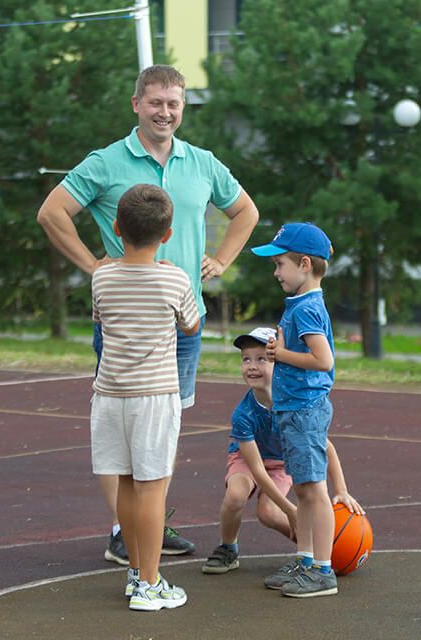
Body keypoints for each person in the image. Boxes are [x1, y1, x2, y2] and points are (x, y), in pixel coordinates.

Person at [37, 64, 259, 564]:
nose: (165, 112)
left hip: (183, 323)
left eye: (174, 104)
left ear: (183, 108)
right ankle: (124, 531)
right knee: (125, 430)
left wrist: (222, 259)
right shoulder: (106, 162)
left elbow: (246, 212)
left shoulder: (202, 163)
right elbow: (51, 213)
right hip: (126, 323)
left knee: (164, 427)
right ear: (136, 104)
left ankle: (147, 524)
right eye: (155, 102)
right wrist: (93, 264)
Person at [89, 183, 200, 611]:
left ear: (117, 228)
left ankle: (137, 573)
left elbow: (100, 316)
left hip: (109, 394)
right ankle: (150, 586)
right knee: (153, 489)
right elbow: (191, 325)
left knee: (126, 484)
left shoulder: (102, 276)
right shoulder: (174, 277)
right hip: (153, 396)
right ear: (167, 234)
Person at [201, 326, 363, 576]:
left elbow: (325, 447)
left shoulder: (295, 405)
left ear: (280, 364)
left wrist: (341, 490)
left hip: (282, 460)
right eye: (246, 359)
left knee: (267, 512)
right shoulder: (243, 414)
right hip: (248, 458)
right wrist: (291, 510)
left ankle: (311, 551)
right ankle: (228, 548)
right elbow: (255, 468)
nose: (251, 366)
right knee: (235, 495)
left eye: (261, 359)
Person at [250, 222, 339, 598]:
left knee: (314, 490)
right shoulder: (300, 305)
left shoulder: (307, 308)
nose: (276, 273)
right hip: (294, 408)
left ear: (304, 264)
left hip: (304, 408)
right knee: (302, 489)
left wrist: (279, 355)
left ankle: (323, 569)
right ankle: (305, 559)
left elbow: (323, 359)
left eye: (280, 264)